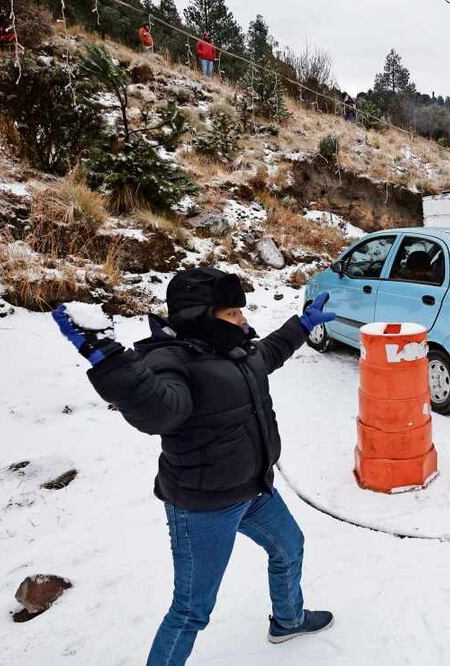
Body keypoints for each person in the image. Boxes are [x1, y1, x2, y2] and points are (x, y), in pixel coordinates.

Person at [50, 268, 338, 664]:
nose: (243, 320)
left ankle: (288, 620)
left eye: (241, 311)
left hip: (253, 489)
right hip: (203, 507)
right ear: (200, 314)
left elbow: (267, 355)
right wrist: (111, 362)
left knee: (290, 547)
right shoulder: (169, 358)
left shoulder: (234, 348)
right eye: (232, 313)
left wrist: (301, 325)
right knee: (190, 610)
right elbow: (161, 412)